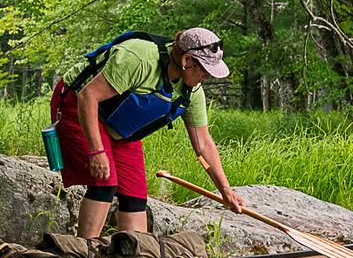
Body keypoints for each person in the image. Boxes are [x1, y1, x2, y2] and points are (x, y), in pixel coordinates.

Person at [52, 28, 245, 237]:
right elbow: (87, 96)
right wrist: (97, 152)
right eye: (204, 70)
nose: (207, 77)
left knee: (134, 196)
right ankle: (83, 255)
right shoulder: (138, 58)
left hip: (122, 127)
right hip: (80, 105)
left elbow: (203, 146)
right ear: (186, 59)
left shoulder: (192, 92)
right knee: (105, 183)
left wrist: (225, 189)